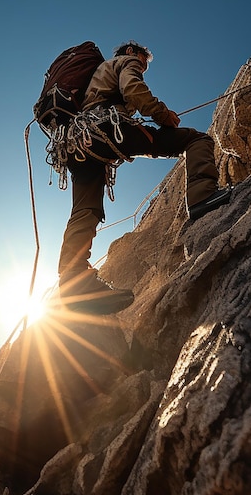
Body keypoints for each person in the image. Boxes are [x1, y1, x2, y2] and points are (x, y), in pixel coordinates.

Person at [57, 41, 231, 314]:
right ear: (131, 52)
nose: (142, 68)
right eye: (143, 63)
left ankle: (72, 281)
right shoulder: (125, 62)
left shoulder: (94, 77)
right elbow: (133, 88)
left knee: (85, 210)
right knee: (195, 140)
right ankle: (202, 196)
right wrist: (163, 115)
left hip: (77, 143)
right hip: (106, 128)